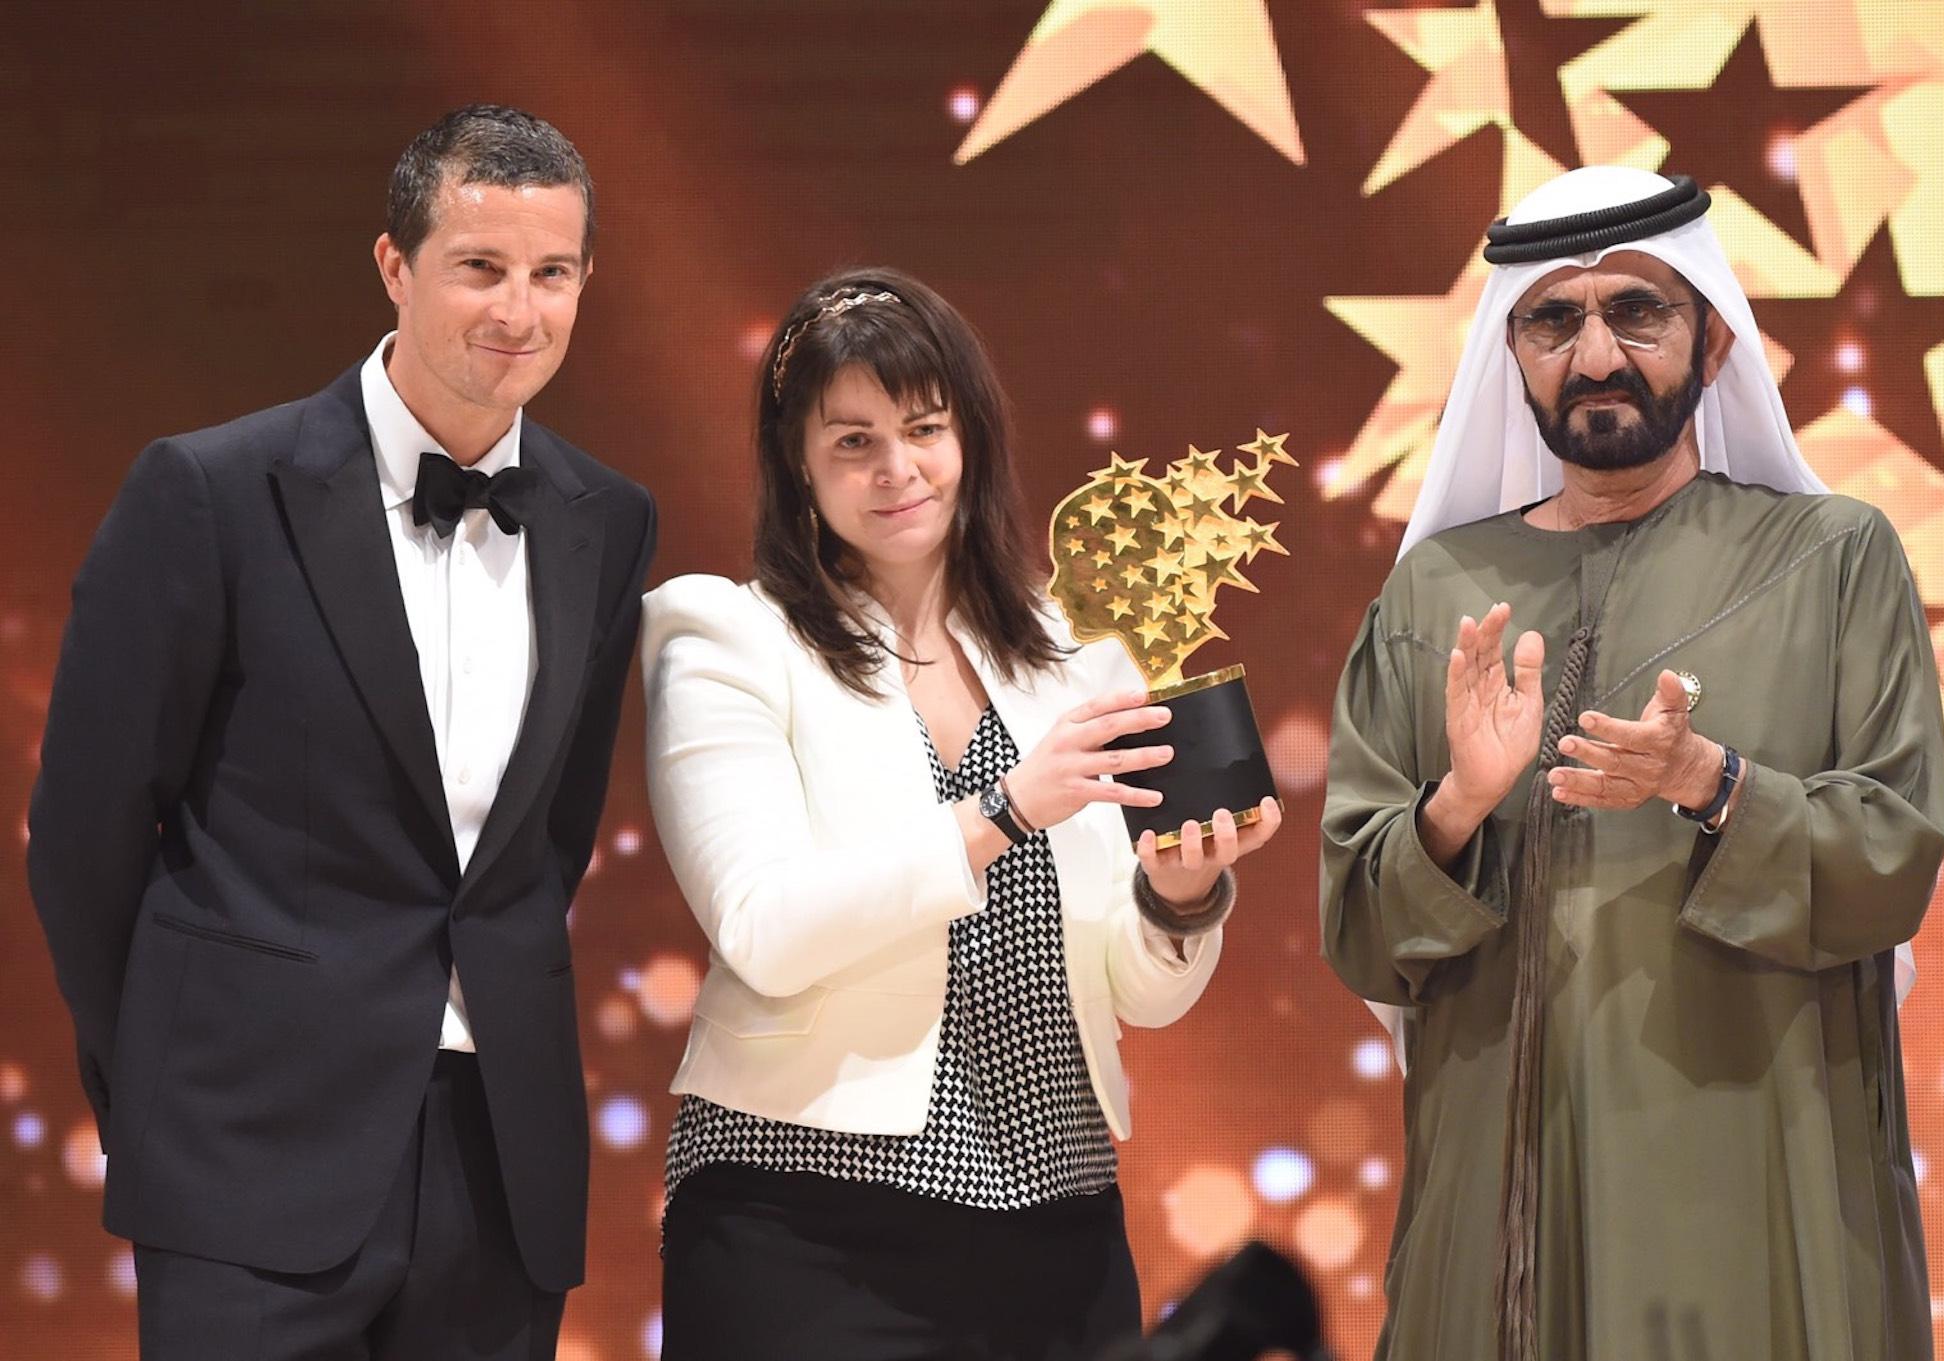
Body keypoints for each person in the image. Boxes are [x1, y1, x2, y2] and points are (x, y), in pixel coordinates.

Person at [27, 105, 657, 1359]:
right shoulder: (208, 490)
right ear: (393, 265)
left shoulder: (608, 517)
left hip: (497, 1152)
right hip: (243, 1142)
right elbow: (85, 835)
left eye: (551, 274)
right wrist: (161, 1076)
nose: (516, 312)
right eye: (479, 267)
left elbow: (549, 842)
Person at [1318, 167, 1944, 1361]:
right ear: (1512, 355)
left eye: (1636, 312)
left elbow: (1893, 858)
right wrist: (1456, 803)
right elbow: (1358, 930)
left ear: (1712, 343)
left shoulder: (1829, 556)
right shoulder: (1437, 592)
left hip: (1752, 1178)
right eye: (1553, 321)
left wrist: (1709, 782)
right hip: (1491, 1199)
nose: (1594, 351)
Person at [641, 267, 1281, 1360]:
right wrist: (999, 809)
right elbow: (765, 928)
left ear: (970, 437)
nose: (897, 469)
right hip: (801, 1215)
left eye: (924, 429)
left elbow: (1137, 992)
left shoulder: (1075, 653)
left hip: (1056, 1219)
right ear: (795, 459)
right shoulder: (727, 638)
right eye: (852, 440)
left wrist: (1178, 897)